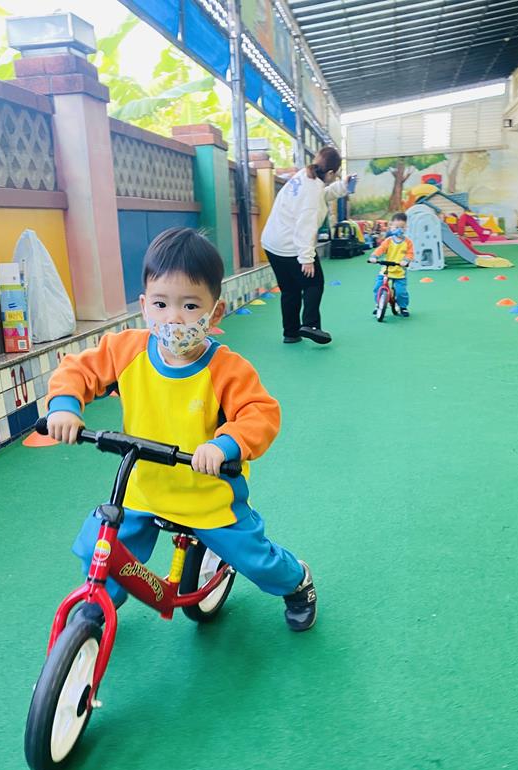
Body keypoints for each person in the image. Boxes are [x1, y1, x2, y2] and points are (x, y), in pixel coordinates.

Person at [45, 227, 318, 632]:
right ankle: (102, 600)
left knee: (255, 559)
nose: (173, 318)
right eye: (160, 304)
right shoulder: (127, 350)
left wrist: (225, 445)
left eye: (190, 306)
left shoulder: (226, 369)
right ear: (144, 306)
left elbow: (260, 413)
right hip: (144, 488)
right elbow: (79, 370)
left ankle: (297, 582)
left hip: (207, 494)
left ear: (215, 312)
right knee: (98, 547)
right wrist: (65, 406)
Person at [261, 146, 351, 345]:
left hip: (272, 242)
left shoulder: (305, 175)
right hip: (289, 245)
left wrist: (342, 187)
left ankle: (291, 333)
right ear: (330, 172)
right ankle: (310, 325)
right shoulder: (313, 190)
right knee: (314, 283)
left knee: (289, 290)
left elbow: (321, 195)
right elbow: (306, 226)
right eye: (335, 175)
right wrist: (306, 259)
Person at [369, 212, 414, 317]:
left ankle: (403, 307)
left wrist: (406, 260)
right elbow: (381, 249)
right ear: (391, 227)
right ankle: (378, 305)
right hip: (386, 270)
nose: (399, 230)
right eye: (397, 227)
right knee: (378, 287)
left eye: (402, 227)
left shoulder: (408, 242)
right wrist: (374, 257)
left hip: (399, 271)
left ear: (406, 228)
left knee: (401, 292)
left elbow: (410, 253)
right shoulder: (388, 241)